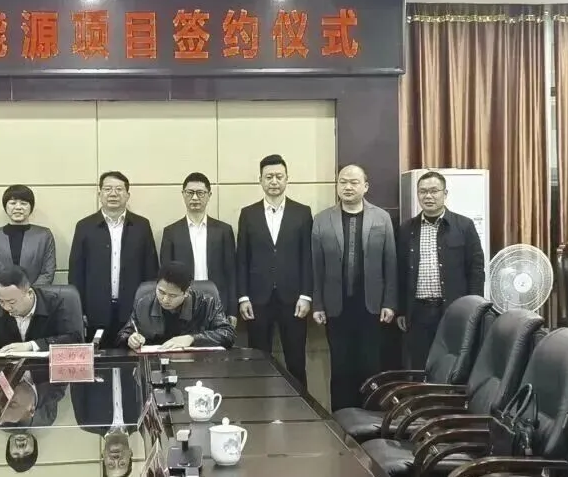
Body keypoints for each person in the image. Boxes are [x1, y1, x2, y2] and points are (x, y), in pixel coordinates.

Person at [311, 165, 397, 411]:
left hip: (371, 306)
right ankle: (340, 419)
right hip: (336, 307)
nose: (347, 187)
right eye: (343, 182)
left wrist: (390, 302)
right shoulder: (322, 219)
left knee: (370, 367)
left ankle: (371, 420)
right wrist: (318, 304)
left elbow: (390, 262)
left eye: (354, 182)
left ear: (365, 186)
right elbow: (315, 266)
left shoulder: (381, 218)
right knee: (340, 368)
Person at [236, 154, 313, 387]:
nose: (274, 181)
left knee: (296, 362)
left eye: (279, 176)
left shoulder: (302, 212)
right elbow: (242, 258)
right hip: (257, 300)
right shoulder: (248, 214)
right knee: (258, 361)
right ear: (260, 180)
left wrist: (306, 295)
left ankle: (301, 406)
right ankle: (259, 404)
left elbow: (307, 257)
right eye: (269, 177)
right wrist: (243, 297)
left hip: (294, 299)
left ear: (287, 179)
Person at [398, 171, 486, 368]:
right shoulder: (406, 229)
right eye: (423, 192)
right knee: (421, 365)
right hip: (418, 312)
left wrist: (475, 308)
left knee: (453, 365)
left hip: (453, 310)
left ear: (445, 194)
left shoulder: (464, 226)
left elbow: (476, 270)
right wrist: (402, 310)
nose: (428, 196)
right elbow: (401, 272)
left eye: (434, 191)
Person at [70, 171, 159, 346]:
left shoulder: (141, 226)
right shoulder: (84, 226)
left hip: (133, 310)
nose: (113, 194)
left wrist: (148, 309)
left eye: (119, 189)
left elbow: (150, 269)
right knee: (98, 357)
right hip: (95, 310)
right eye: (108, 189)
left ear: (127, 195)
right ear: (100, 194)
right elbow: (76, 272)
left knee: (133, 356)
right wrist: (79, 310)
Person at [160, 172, 238, 326]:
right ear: (183, 195)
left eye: (200, 193)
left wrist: (232, 311)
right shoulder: (171, 232)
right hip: (181, 305)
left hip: (217, 303)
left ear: (209, 195)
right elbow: (166, 275)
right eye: (190, 193)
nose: (195, 198)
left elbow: (231, 272)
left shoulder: (223, 230)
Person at [0, 265, 84, 354]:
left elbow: (74, 338)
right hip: (7, 377)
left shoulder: (55, 304)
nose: (6, 307)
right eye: (1, 301)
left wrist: (30, 346)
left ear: (29, 293)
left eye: (12, 302)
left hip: (47, 376)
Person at [119, 261, 236, 351]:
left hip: (196, 365)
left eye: (172, 295)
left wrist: (192, 339)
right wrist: (130, 339)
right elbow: (123, 334)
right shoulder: (143, 304)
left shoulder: (207, 303)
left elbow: (228, 334)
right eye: (161, 292)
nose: (165, 299)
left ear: (186, 292)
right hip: (154, 363)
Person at [0, 185, 57, 297]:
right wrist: (6, 296)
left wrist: (27, 296)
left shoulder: (44, 235)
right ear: (5, 206)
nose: (18, 207)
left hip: (33, 299)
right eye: (13, 203)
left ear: (31, 207)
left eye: (24, 203)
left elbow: (47, 273)